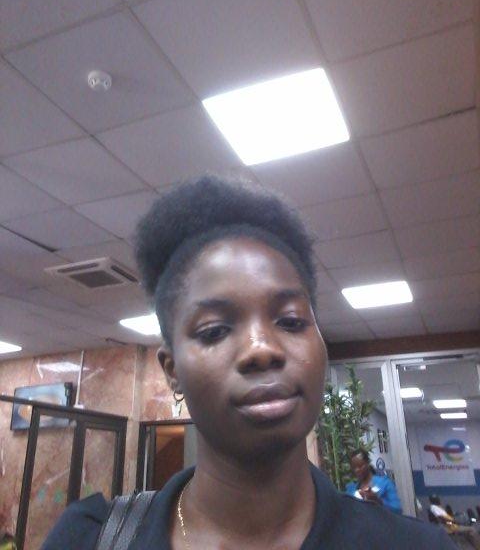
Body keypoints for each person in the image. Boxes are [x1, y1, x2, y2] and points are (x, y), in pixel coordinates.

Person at [42, 175, 456, 549]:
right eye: (214, 331)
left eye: (290, 321)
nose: (261, 349)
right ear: (172, 371)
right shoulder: (88, 540)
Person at [346, 448, 402, 514]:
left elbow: (398, 510)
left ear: (367, 463)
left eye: (360, 466)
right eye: (354, 467)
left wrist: (378, 501)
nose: (357, 470)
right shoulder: (351, 489)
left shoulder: (385, 484)